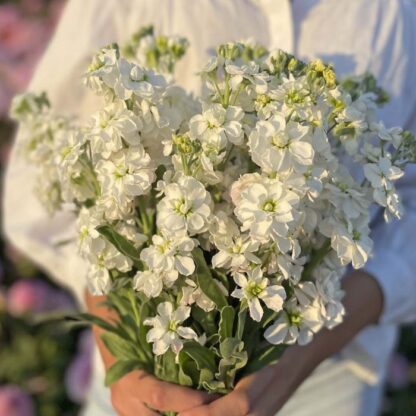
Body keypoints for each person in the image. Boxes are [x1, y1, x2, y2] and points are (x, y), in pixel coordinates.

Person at [4, 0, 416, 415]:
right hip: (145, 380)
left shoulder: (396, 12)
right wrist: (125, 360)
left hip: (327, 378)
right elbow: (39, 179)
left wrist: (299, 356)